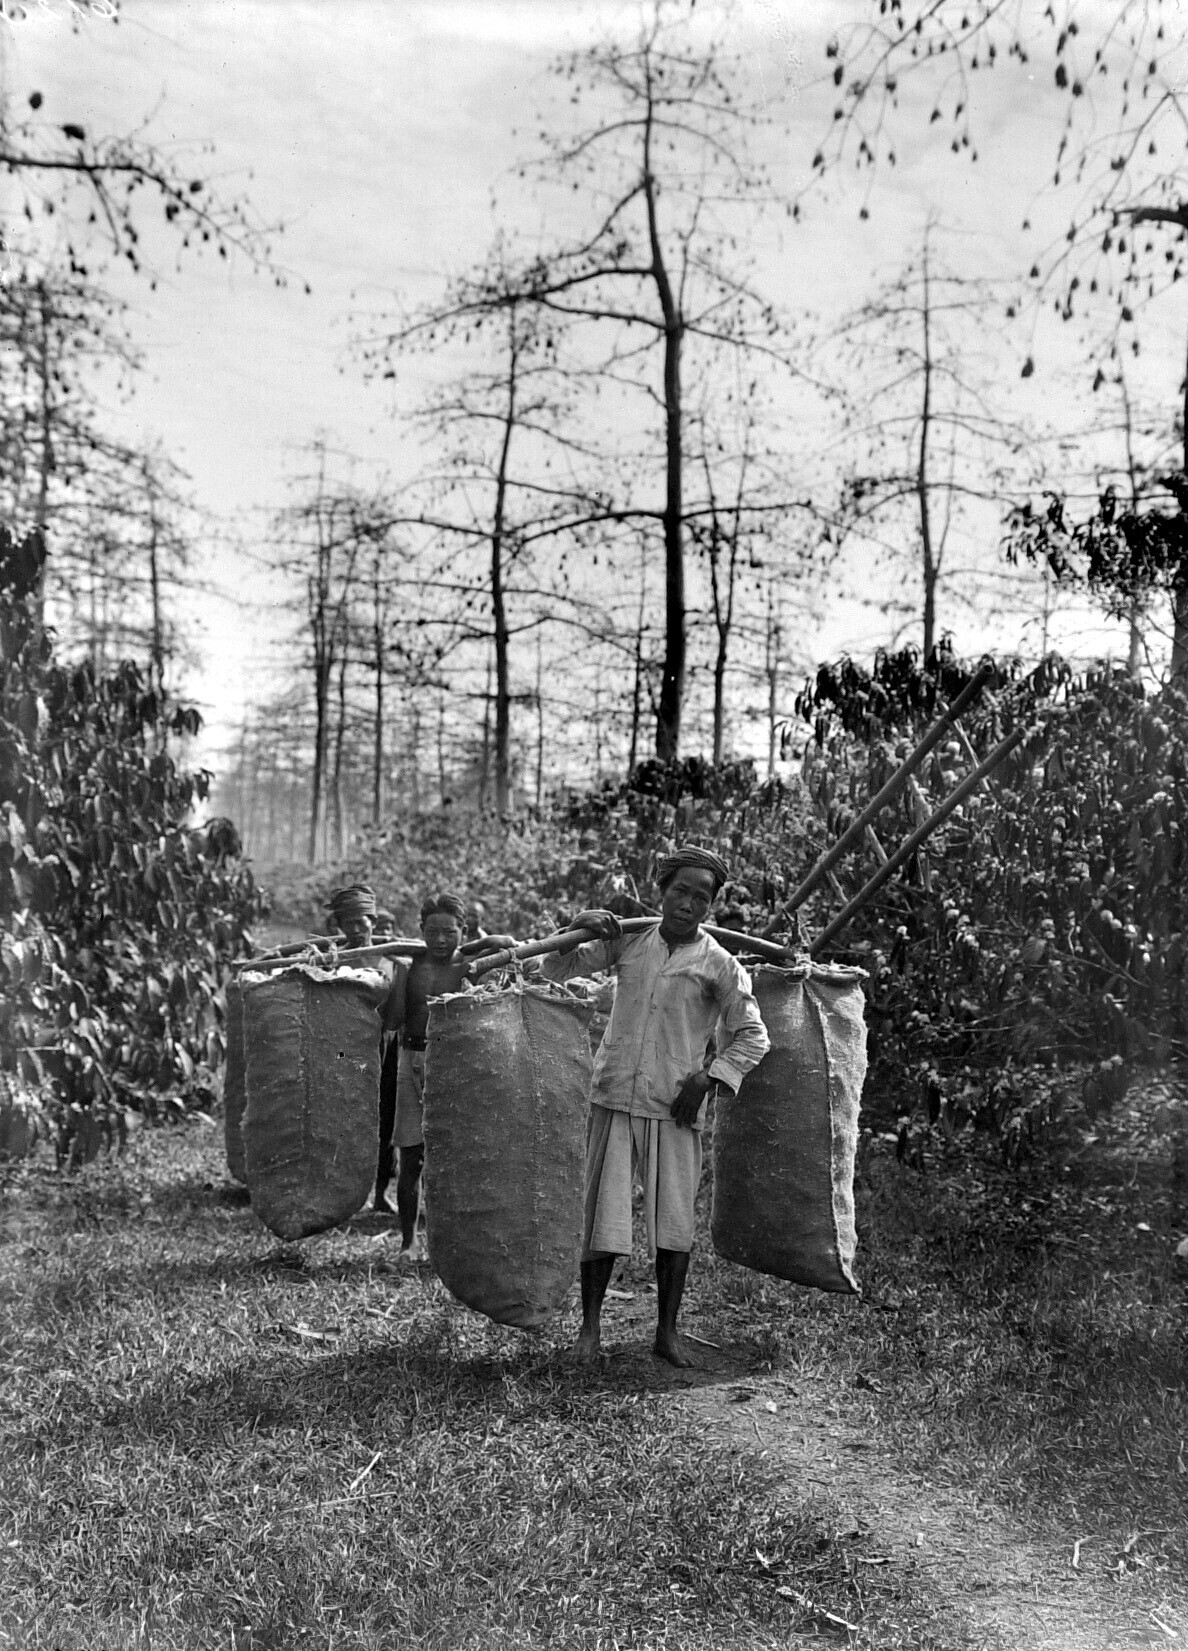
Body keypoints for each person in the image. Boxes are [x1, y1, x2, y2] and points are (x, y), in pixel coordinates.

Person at [539, 847, 770, 1367]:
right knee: (601, 1217)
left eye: (701, 897)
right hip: (615, 1094)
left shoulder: (720, 965)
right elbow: (554, 969)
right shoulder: (629, 941)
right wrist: (577, 926)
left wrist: (708, 1078)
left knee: (674, 1223)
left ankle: (667, 1333)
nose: (688, 904)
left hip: (674, 1104)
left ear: (711, 905)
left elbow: (754, 1036)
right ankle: (590, 1331)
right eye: (680, 891)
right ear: (661, 891)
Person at [375, 891, 513, 1248]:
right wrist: (401, 976)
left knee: (454, 1154)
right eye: (432, 932)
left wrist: (472, 948)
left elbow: (507, 943)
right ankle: (408, 1243)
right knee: (410, 1155)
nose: (439, 940)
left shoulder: (471, 965)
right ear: (421, 930)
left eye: (449, 932)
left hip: (453, 1062)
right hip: (411, 1057)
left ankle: (454, 1242)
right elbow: (393, 1021)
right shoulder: (411, 964)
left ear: (463, 931)